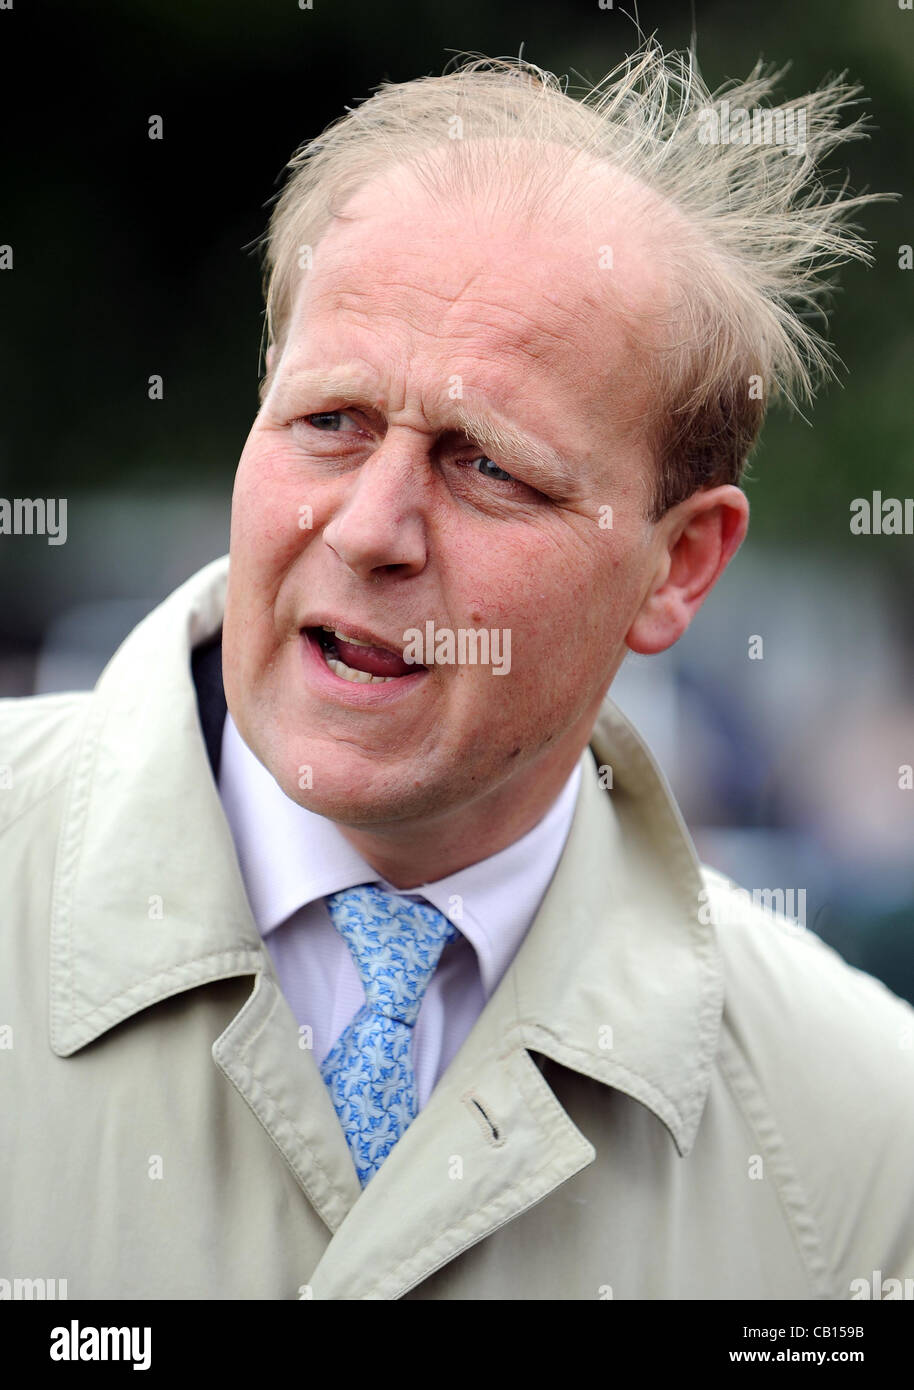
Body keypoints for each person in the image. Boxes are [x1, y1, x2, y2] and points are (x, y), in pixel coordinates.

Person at [1, 43, 911, 1302]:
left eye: (488, 465)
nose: (371, 527)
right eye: (331, 421)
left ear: (677, 566)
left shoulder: (863, 1142)